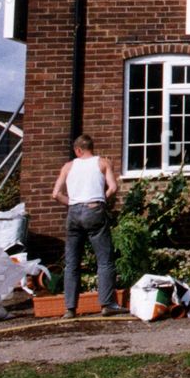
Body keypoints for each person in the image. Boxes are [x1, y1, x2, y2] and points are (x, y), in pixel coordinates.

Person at [51, 134, 127, 317]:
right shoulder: (103, 163)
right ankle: (107, 304)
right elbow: (113, 187)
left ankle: (70, 308)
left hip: (74, 212)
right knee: (105, 260)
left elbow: (55, 194)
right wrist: (100, 199)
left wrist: (73, 202)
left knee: (72, 263)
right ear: (91, 148)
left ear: (77, 150)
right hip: (95, 211)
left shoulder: (68, 166)